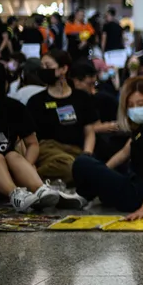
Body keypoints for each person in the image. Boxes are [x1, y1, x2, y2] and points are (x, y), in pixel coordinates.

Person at [0, 60, 68, 210]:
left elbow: (32, 144)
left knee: (12, 155)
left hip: (3, 177)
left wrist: (26, 167)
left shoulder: (14, 108)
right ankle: (16, 194)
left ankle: (40, 190)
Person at [72, 77, 143, 216]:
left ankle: (84, 196)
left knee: (82, 162)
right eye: (131, 105)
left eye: (140, 103)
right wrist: (102, 172)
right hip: (136, 185)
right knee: (95, 166)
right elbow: (125, 152)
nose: (135, 109)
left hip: (140, 195)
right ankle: (88, 194)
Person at [26, 50, 99, 189]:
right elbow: (31, 137)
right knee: (69, 167)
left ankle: (42, 179)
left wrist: (87, 153)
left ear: (64, 69)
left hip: (76, 150)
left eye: (48, 66)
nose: (43, 70)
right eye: (42, 66)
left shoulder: (81, 98)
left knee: (90, 169)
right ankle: (27, 176)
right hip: (48, 148)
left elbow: (89, 131)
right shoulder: (36, 101)